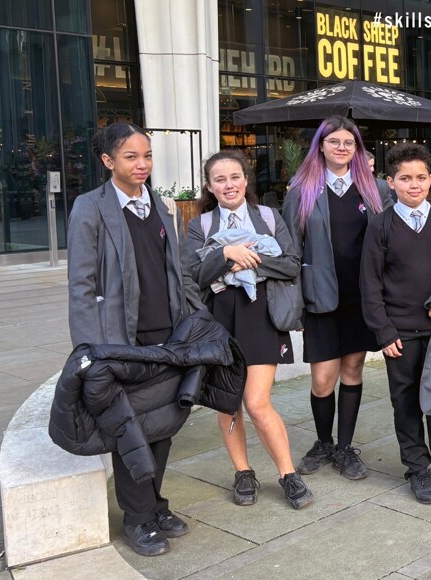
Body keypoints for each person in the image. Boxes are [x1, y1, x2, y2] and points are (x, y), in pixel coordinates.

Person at [67, 122, 205, 557]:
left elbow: (178, 272)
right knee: (131, 431)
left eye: (146, 155)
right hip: (120, 342)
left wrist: (195, 322)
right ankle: (138, 518)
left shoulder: (161, 206)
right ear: (108, 161)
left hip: (167, 339)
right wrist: (89, 351)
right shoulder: (90, 208)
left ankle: (155, 505)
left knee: (162, 426)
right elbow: (81, 286)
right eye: (131, 156)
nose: (142, 164)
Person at [185, 150, 313, 510]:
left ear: (246, 179)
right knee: (227, 402)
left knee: (256, 402)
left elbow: (291, 264)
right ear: (210, 186)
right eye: (220, 179)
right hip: (218, 320)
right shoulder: (201, 225)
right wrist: (225, 255)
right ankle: (243, 472)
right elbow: (191, 274)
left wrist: (251, 262)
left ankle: (288, 473)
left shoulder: (269, 217)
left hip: (261, 315)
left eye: (235, 177)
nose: (229, 185)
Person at [361, 143, 431, 504]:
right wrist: (384, 331)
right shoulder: (380, 225)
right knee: (406, 403)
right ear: (390, 182)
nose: (414, 184)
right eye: (406, 178)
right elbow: (370, 283)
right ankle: (418, 470)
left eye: (421, 177)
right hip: (400, 334)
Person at [282, 116, 393, 480]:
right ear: (321, 146)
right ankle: (324, 442)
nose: (342, 148)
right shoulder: (301, 191)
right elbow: (291, 251)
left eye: (349, 142)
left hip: (361, 298)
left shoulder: (375, 190)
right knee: (322, 380)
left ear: (357, 148)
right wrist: (296, 305)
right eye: (334, 142)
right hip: (320, 298)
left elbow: (388, 245)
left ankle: (344, 448)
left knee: (352, 371)